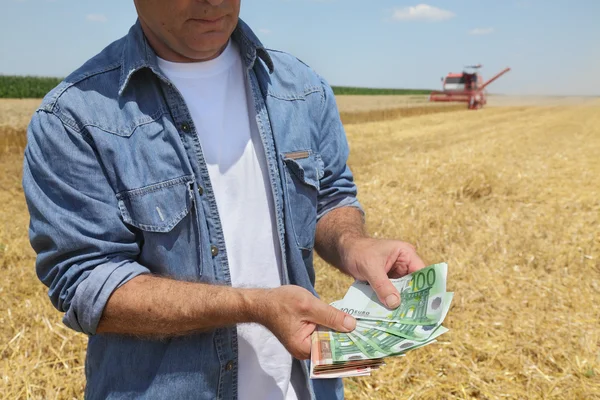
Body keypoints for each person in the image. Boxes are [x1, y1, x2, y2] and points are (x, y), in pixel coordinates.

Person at [22, 1, 426, 399]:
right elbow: (87, 285)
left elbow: (330, 197)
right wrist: (253, 306)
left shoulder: (300, 87)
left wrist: (353, 244)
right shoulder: (74, 118)